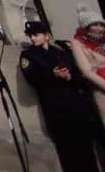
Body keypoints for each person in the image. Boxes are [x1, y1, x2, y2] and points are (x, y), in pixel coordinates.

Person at [19, 19, 104, 171]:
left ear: (46, 36)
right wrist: (53, 75)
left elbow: (80, 75)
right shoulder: (28, 55)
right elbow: (33, 78)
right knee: (69, 154)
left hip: (77, 108)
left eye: (36, 34)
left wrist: (69, 77)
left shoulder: (61, 52)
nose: (32, 38)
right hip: (57, 110)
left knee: (87, 151)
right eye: (30, 35)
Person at [71, 3, 105, 124]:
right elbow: (86, 71)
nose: (99, 28)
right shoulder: (78, 43)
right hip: (101, 86)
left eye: (101, 25)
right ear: (86, 27)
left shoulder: (103, 40)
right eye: (95, 25)